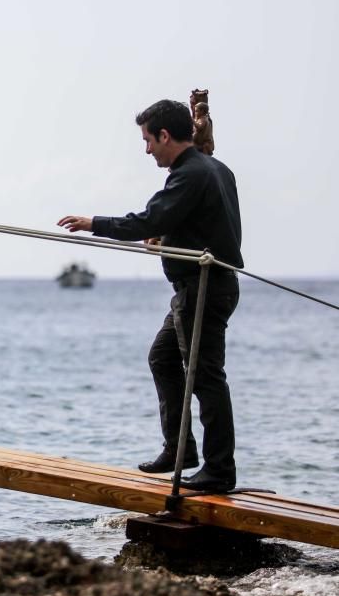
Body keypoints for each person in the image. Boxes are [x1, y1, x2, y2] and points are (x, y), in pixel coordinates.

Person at [57, 99, 243, 493]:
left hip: (204, 289)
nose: (146, 150)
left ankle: (220, 471)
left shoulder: (189, 174)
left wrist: (95, 223)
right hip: (200, 289)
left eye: (148, 140)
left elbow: (151, 218)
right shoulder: (216, 169)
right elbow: (199, 222)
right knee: (162, 357)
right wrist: (168, 236)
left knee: (207, 377)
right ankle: (180, 450)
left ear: (164, 136)